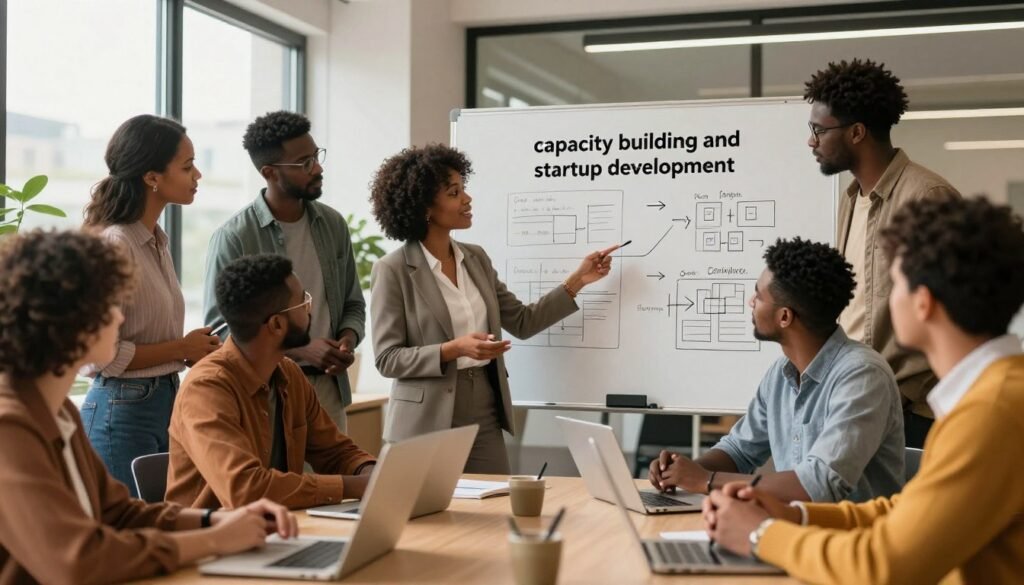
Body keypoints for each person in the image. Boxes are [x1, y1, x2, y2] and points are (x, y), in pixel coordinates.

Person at [705, 196, 1024, 585]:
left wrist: (761, 534)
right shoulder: (993, 395)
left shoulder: (991, 412)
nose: (888, 299)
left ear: (923, 303)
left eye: (896, 284)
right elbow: (904, 512)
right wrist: (793, 516)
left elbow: (883, 566)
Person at [0, 230, 297, 585]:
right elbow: (77, 560)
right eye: (110, 306)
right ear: (69, 321)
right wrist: (215, 540)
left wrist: (216, 520)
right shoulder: (9, 427)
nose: (120, 318)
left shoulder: (58, 410)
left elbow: (119, 514)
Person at [369, 144, 614, 474]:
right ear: (425, 206)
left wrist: (577, 281)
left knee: (496, 500)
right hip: (424, 418)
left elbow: (523, 321)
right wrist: (453, 349)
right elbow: (388, 358)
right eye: (454, 192)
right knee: (431, 507)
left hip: (484, 405)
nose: (467, 199)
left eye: (463, 188)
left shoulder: (476, 259)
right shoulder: (393, 269)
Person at [649, 238, 904, 503]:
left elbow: (820, 485)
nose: (751, 302)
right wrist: (681, 471)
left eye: (758, 296)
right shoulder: (781, 374)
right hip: (793, 524)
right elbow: (739, 450)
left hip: (853, 529)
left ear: (784, 317)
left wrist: (706, 480)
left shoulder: (863, 376)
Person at [804, 59, 961, 448]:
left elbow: (955, 310)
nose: (811, 141)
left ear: (857, 132)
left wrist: (903, 394)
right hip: (857, 396)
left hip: (909, 410)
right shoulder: (850, 199)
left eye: (819, 130)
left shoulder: (927, 198)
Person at [81, 115, 221, 495]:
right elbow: (101, 356)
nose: (198, 176)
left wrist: (189, 349)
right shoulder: (117, 244)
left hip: (162, 401)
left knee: (163, 521)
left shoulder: (156, 240)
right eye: (187, 167)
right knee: (138, 526)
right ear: (151, 177)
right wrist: (180, 348)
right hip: (121, 410)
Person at [168, 254, 376, 510]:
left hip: (280, 526)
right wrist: (354, 486)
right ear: (277, 324)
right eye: (303, 302)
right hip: (213, 533)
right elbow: (245, 489)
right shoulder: (205, 389)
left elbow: (335, 452)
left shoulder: (289, 374)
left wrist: (373, 473)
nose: (310, 309)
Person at [203, 111, 364, 434]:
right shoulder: (234, 237)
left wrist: (347, 339)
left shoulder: (333, 225)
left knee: (340, 465)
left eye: (316, 156)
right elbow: (220, 331)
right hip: (267, 392)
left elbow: (352, 304)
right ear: (269, 172)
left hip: (329, 390)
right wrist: (302, 349)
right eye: (304, 163)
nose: (317, 168)